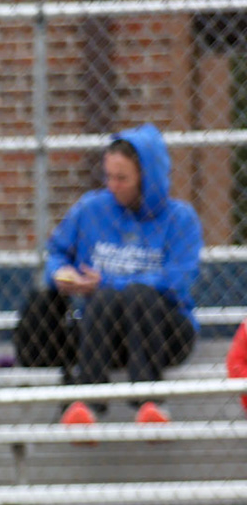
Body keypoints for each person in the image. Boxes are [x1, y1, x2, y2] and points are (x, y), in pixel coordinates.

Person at [12, 124, 201, 425]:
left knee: (136, 295)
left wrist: (109, 282)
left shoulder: (180, 219)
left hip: (165, 333)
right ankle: (88, 405)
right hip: (105, 332)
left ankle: (149, 403)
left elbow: (176, 282)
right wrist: (60, 273)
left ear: (146, 177)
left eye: (122, 178)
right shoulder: (92, 208)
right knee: (103, 299)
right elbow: (57, 251)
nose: (112, 185)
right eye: (108, 176)